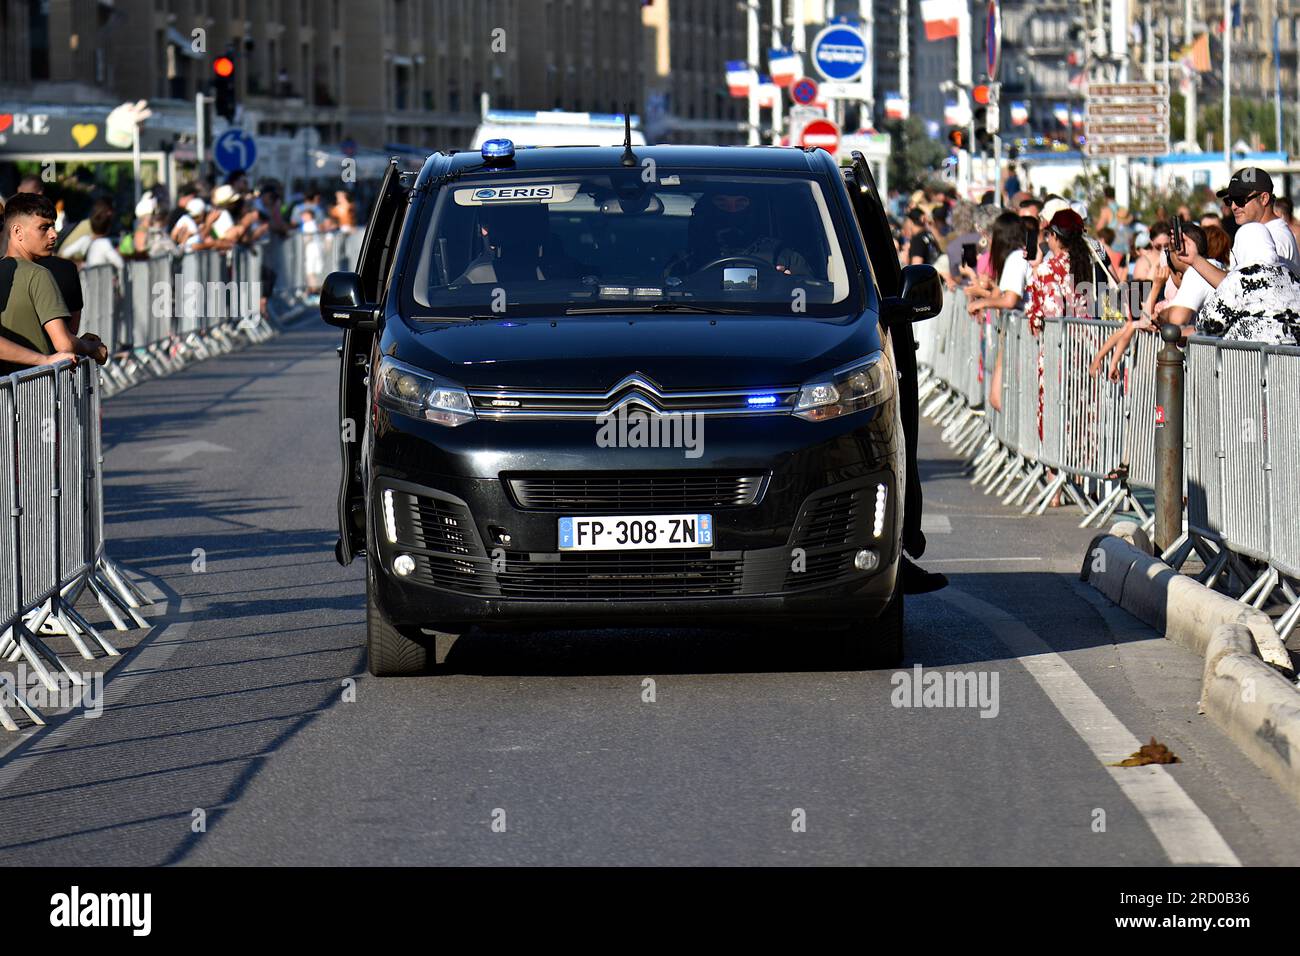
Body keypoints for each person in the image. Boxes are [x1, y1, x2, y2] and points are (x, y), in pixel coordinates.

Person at [0, 193, 107, 374]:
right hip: (36, 389)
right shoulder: (39, 275)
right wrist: (92, 348)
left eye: (53, 226)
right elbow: (63, 342)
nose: (53, 234)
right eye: (44, 228)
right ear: (17, 231)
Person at [1178, 168, 1300, 289]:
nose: (1233, 206)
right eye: (1230, 200)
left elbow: (1246, 290)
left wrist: (1196, 260)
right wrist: (1194, 259)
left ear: (1264, 198)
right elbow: (1240, 285)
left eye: (1240, 200)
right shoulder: (1264, 232)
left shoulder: (1274, 237)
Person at [1197, 223, 1300, 344]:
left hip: (1248, 360)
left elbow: (1208, 323)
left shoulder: (1239, 278)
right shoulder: (1292, 276)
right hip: (1291, 360)